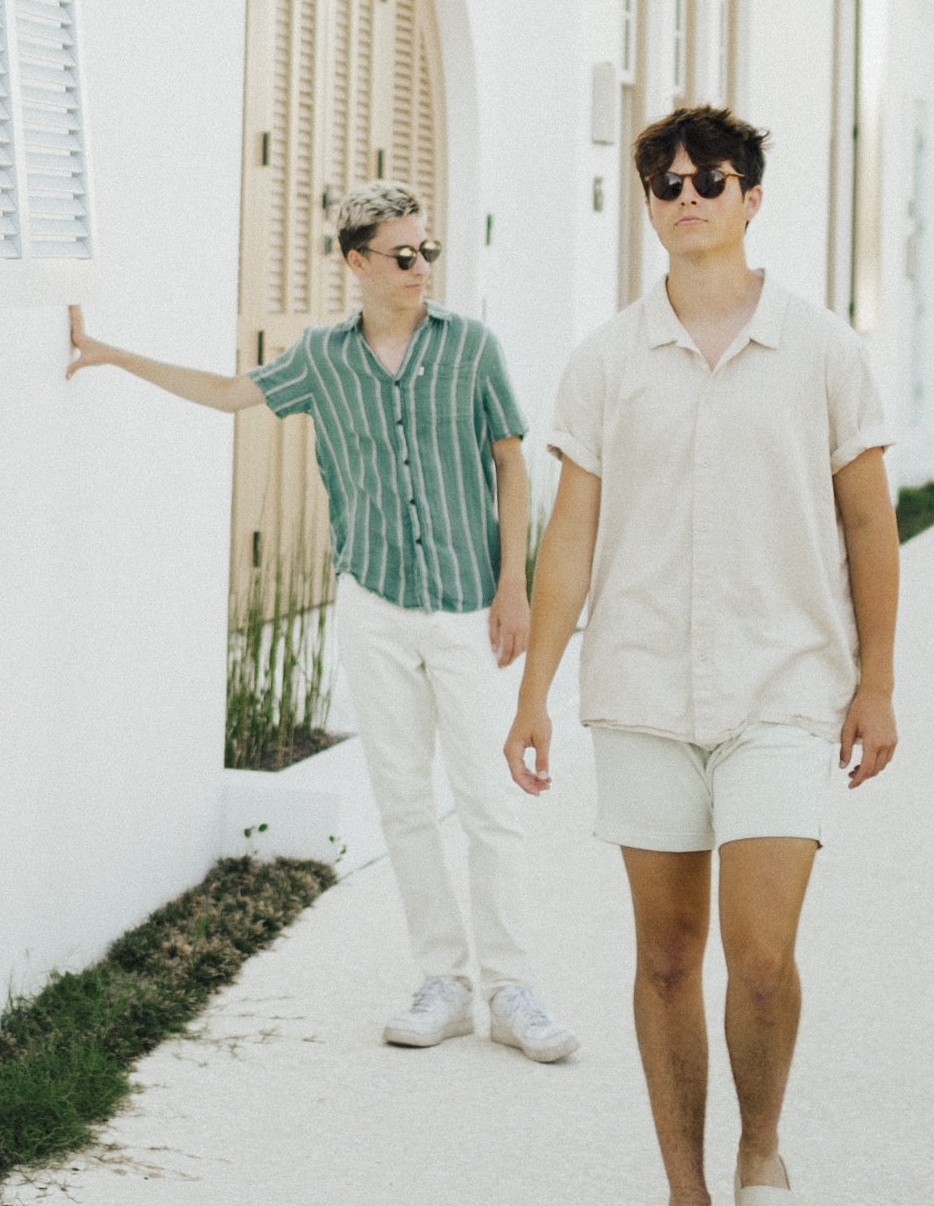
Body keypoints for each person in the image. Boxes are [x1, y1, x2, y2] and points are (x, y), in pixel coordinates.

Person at [506, 106, 897, 1206]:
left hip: (783, 687)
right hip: (638, 691)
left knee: (762, 955)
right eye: (666, 181)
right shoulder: (606, 358)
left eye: (710, 177)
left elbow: (868, 521)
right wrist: (533, 691)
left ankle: (761, 1154)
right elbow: (568, 533)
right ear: (648, 202)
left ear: (750, 195)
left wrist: (876, 679)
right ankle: (683, 1197)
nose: (688, 194)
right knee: (667, 955)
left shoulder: (821, 349)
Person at [69, 184, 577, 1062]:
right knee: (404, 802)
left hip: (464, 606)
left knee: (487, 801)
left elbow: (511, 464)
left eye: (429, 252)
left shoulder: (472, 349)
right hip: (372, 603)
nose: (421, 268)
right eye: (403, 254)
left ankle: (513, 987)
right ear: (356, 261)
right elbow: (232, 392)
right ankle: (444, 982)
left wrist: (514, 585)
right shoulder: (322, 359)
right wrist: (107, 352)